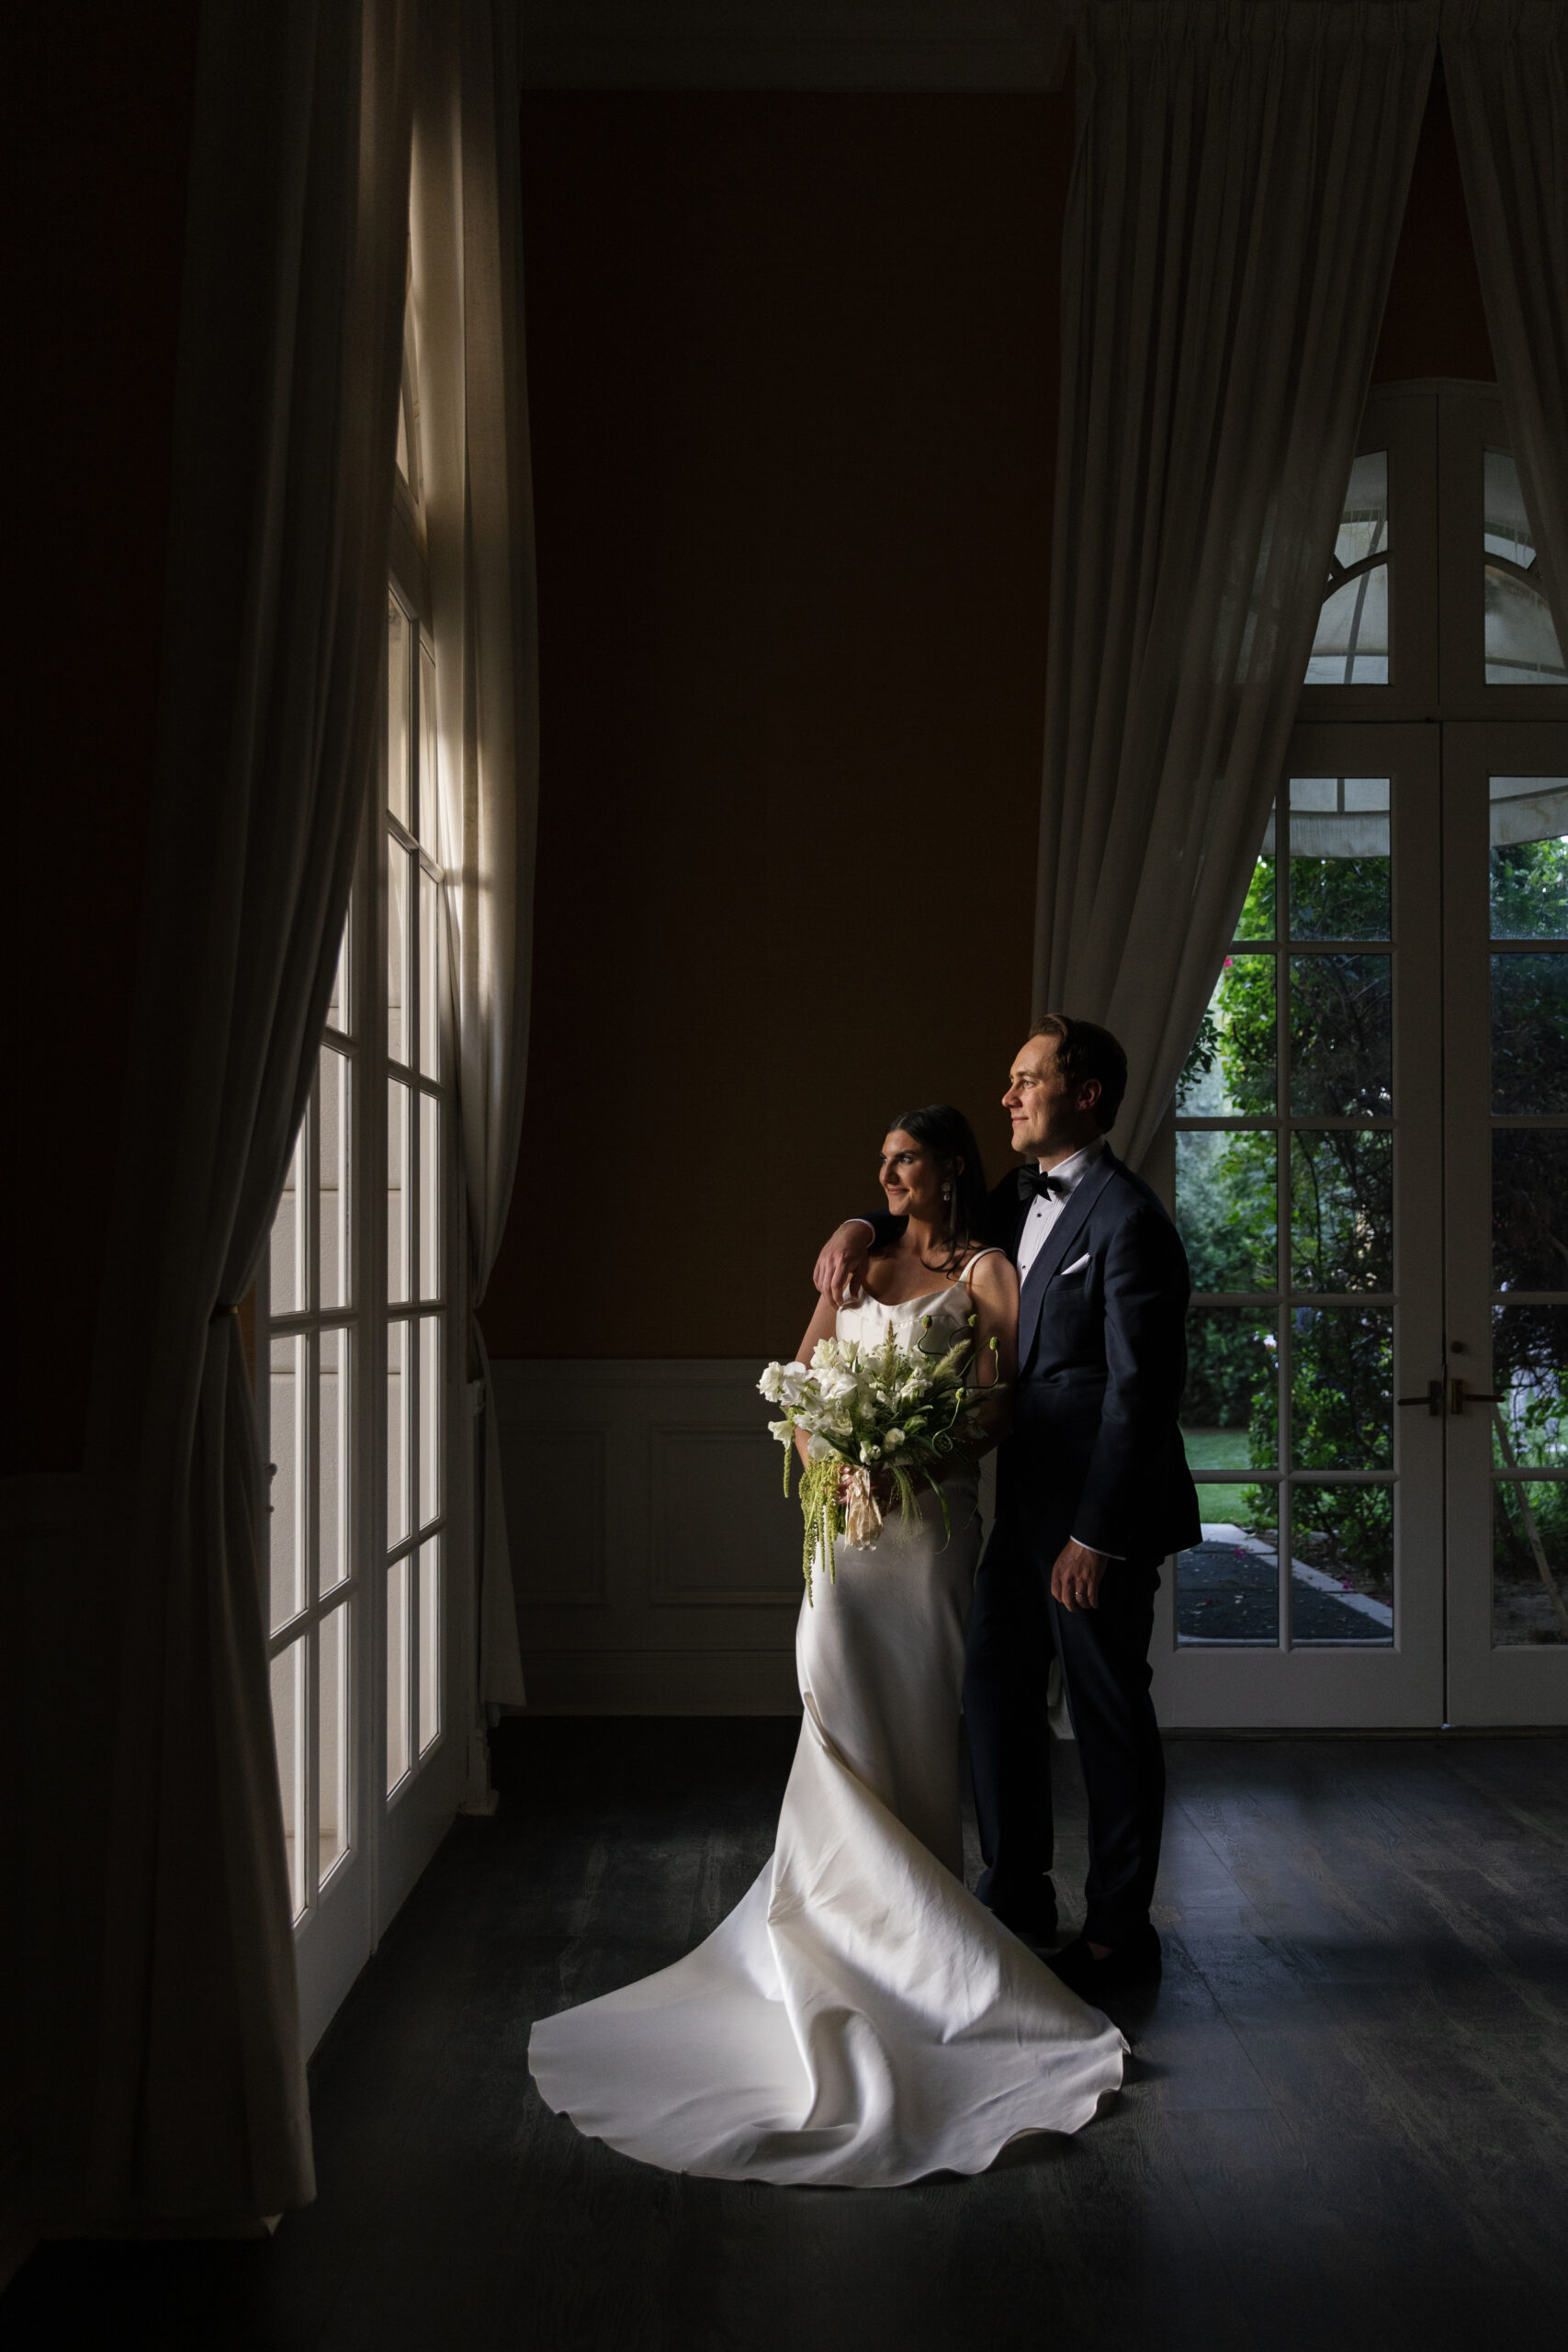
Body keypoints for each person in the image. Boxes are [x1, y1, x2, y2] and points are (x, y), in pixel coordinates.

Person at [529, 1104, 1125, 2188]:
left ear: (948, 1166)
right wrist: (832, 1446)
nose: (887, 1176)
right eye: (880, 1164)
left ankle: (922, 1941)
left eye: (905, 1159)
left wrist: (917, 1443)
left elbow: (997, 1405)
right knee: (834, 1705)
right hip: (845, 1537)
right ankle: (836, 1932)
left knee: (916, 1720)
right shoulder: (853, 1262)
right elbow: (803, 1376)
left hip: (931, 1530)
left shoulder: (989, 1270)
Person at [813, 1019, 1200, 1997]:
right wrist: (858, 1225)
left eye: (1029, 1080)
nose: (1008, 1096)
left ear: (1089, 1096)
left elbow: (1141, 1396)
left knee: (1109, 1717)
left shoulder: (1130, 1219)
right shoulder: (1020, 1194)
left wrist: (1097, 1537)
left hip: (1093, 1524)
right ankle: (1016, 1893)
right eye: (1012, 1082)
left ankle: (1119, 1934)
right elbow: (922, 1213)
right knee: (991, 1694)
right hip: (1022, 1516)